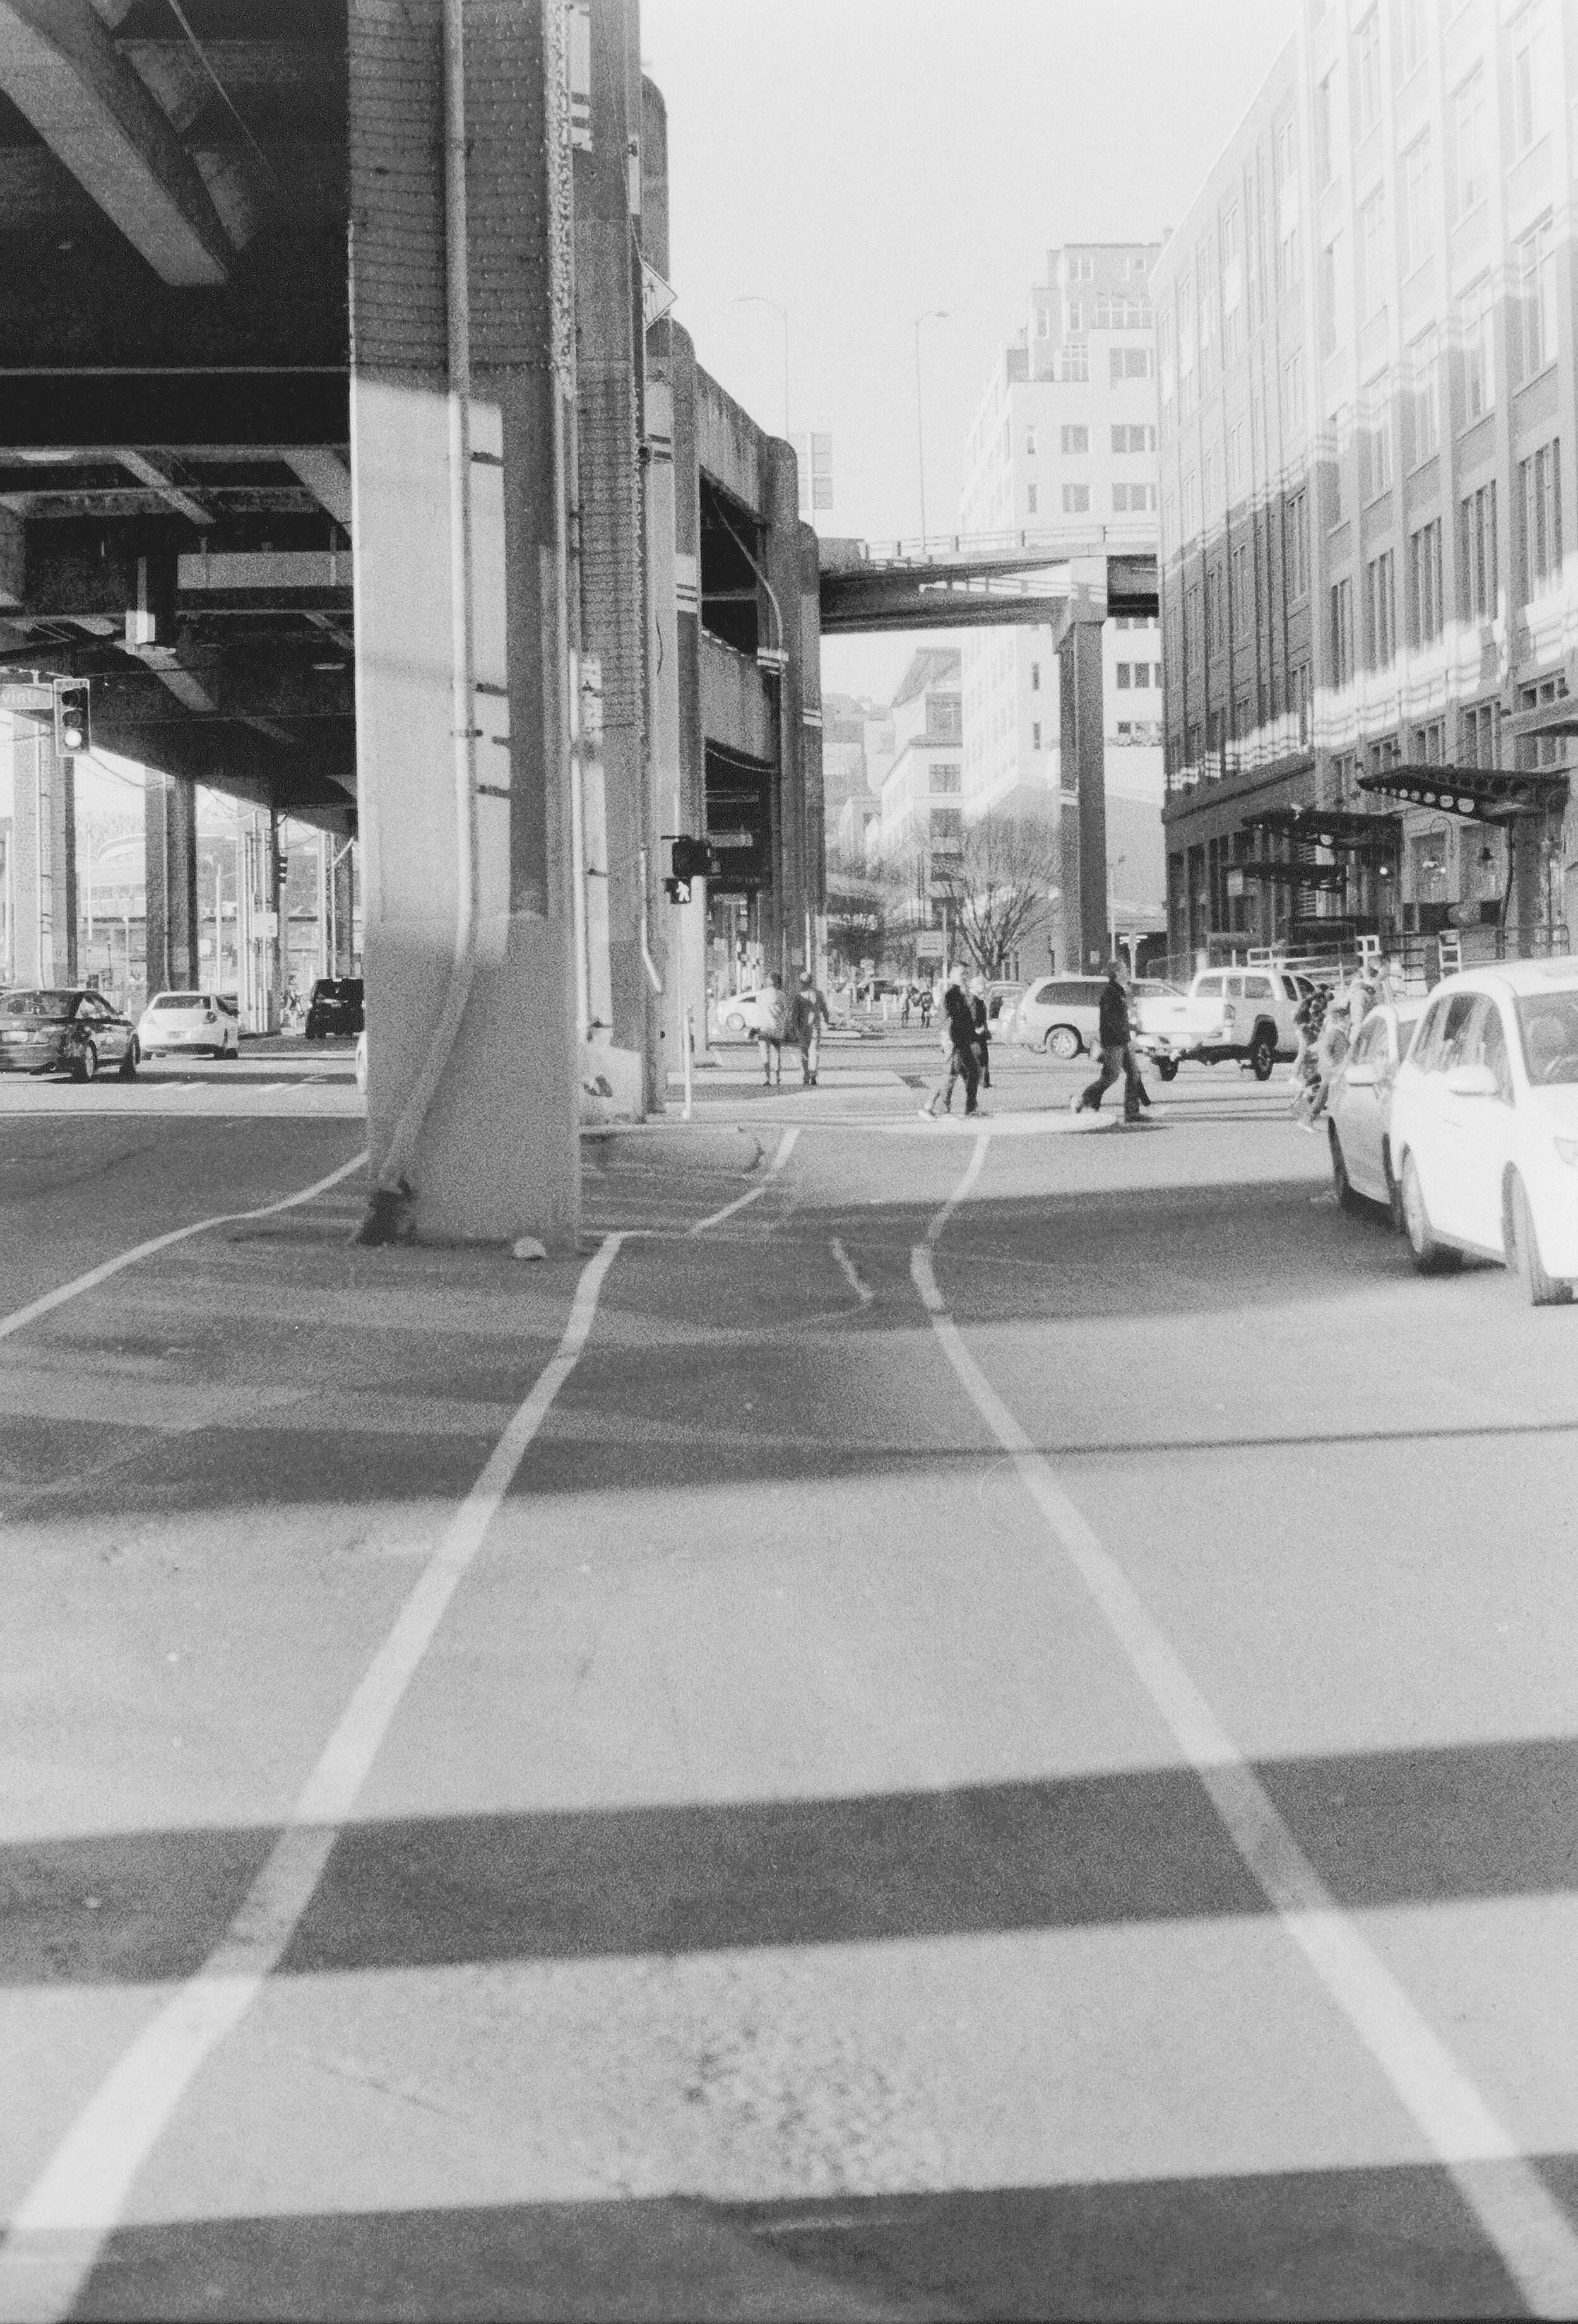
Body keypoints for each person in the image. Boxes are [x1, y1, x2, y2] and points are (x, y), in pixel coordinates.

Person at [1072, 959, 1148, 1122]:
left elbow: (1121, 1018)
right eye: (1124, 969)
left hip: (1122, 1041)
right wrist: (1125, 1039)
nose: (1127, 971)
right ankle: (1083, 1099)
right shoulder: (1111, 992)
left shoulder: (1119, 991)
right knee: (1111, 1077)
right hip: (1114, 1042)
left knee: (1134, 1074)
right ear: (1117, 973)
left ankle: (1132, 1112)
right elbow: (1113, 1020)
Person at [919, 969, 982, 1118]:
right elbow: (948, 1020)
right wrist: (949, 1040)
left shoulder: (962, 996)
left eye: (967, 974)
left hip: (960, 1040)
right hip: (954, 1040)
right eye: (962, 975)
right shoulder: (953, 996)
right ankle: (942, 1110)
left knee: (964, 1073)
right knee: (950, 1075)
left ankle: (969, 1109)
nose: (966, 978)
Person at [792, 969, 831, 1086]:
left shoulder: (798, 996)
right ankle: (813, 1074)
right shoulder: (818, 994)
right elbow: (824, 1009)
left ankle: (805, 1076)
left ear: (801, 982)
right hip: (815, 1025)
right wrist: (827, 1021)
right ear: (811, 982)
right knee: (815, 1051)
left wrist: (794, 1028)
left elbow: (795, 1013)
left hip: (803, 1027)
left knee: (804, 1051)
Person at [756, 971, 789, 1086]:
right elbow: (785, 1012)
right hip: (777, 1028)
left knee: (764, 1052)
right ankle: (778, 1077)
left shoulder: (761, 995)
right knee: (777, 1053)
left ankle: (767, 1078)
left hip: (764, 1027)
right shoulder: (782, 995)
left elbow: (758, 1011)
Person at [969, 973, 993, 1090]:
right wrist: (977, 1028)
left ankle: (984, 1081)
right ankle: (983, 1081)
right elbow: (974, 1016)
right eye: (983, 985)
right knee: (981, 1057)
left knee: (983, 1057)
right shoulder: (974, 1001)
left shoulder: (978, 999)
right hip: (977, 1033)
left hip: (980, 1032)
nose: (985, 987)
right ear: (978, 986)